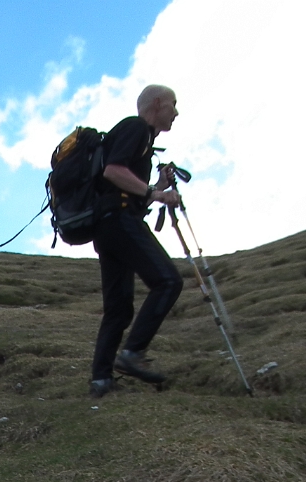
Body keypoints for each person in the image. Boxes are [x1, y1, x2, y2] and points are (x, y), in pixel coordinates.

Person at [89, 84, 184, 397]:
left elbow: (130, 190)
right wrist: (159, 193)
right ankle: (131, 355)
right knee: (168, 281)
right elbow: (113, 172)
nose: (176, 112)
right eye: (173, 104)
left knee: (118, 308)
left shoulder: (140, 138)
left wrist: (156, 185)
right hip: (119, 220)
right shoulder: (136, 128)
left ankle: (101, 382)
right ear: (156, 104)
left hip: (107, 226)